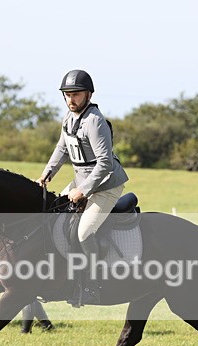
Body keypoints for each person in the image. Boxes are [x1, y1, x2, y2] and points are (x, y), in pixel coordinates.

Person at [37, 70, 129, 306]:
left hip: (106, 186)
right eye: (67, 95)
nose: (71, 99)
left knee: (84, 233)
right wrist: (47, 173)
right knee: (51, 215)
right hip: (82, 182)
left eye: (76, 94)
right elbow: (62, 149)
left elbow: (105, 164)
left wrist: (83, 191)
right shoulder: (69, 117)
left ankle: (93, 285)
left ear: (89, 94)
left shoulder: (95, 122)